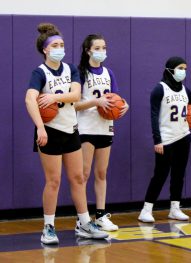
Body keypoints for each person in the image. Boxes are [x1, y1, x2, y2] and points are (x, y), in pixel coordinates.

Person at [25, 23, 108, 245]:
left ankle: (83, 223)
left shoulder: (70, 68)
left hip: (71, 129)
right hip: (50, 132)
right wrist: (40, 127)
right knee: (53, 181)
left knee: (78, 178)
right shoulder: (39, 73)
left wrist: (53, 98)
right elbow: (29, 99)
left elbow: (76, 95)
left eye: (62, 44)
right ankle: (48, 227)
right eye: (55, 45)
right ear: (45, 49)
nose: (60, 48)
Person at [138, 56, 191, 223]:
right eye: (180, 68)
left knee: (179, 174)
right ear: (170, 69)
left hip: (184, 137)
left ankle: (175, 208)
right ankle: (146, 210)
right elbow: (154, 117)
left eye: (185, 68)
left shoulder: (185, 90)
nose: (183, 71)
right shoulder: (159, 89)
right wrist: (157, 140)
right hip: (166, 140)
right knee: (160, 175)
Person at [75, 34, 129, 231]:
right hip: (86, 128)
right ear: (88, 50)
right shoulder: (80, 73)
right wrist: (95, 102)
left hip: (105, 128)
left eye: (104, 47)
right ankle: (81, 218)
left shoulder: (108, 73)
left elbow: (115, 98)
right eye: (97, 48)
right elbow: (74, 105)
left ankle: (100, 215)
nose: (101, 51)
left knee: (101, 173)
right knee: (84, 174)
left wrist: (124, 105)